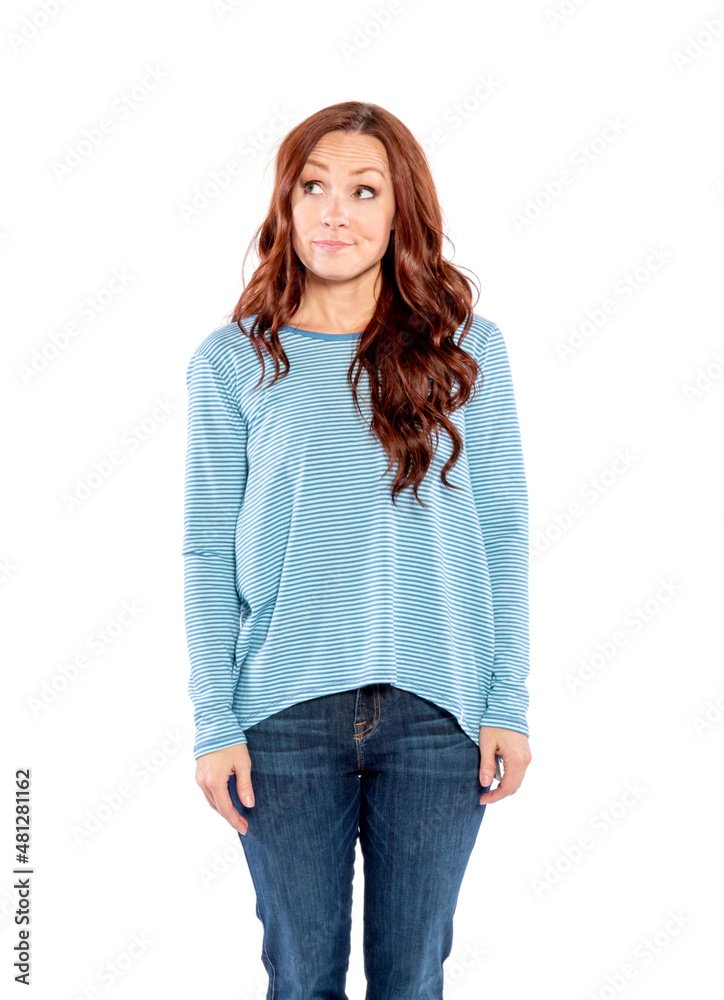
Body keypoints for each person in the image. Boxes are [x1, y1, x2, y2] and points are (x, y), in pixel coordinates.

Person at [182, 100, 532, 999]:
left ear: (401, 208)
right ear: (286, 204)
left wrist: (509, 702)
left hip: (440, 711)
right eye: (314, 187)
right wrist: (214, 723)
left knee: (411, 980)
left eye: (364, 190)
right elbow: (206, 552)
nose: (334, 212)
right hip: (283, 717)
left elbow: (502, 530)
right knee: (301, 979)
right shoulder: (234, 361)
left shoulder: (468, 352)